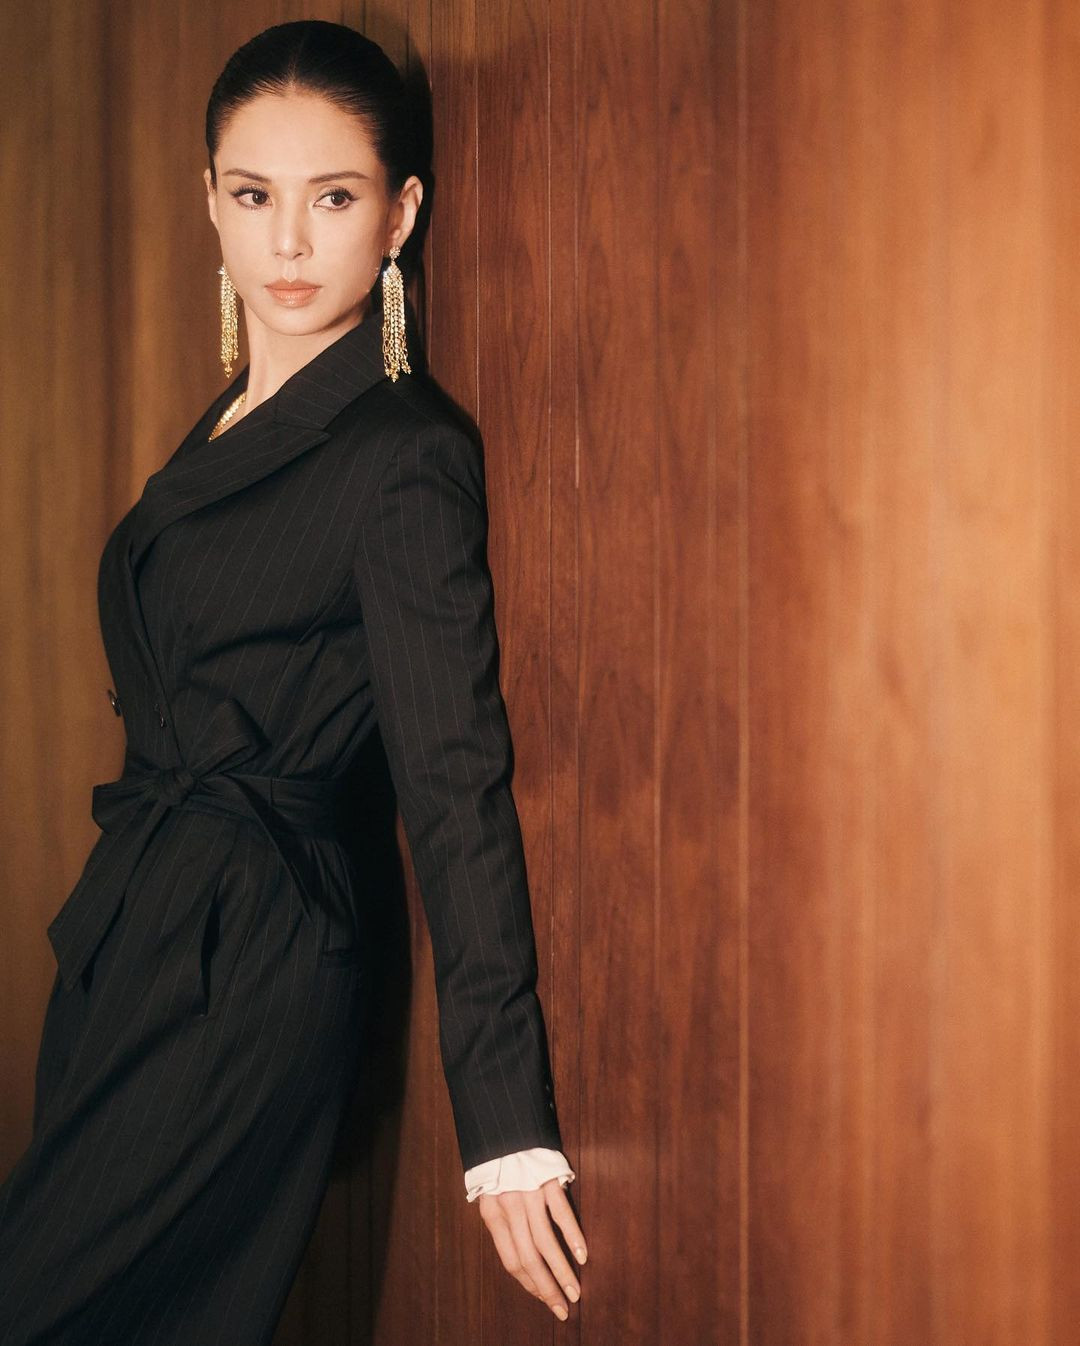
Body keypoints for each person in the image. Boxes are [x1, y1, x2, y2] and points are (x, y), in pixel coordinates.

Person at [0, 19, 585, 1343]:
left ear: (401, 214)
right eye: (255, 196)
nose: (288, 244)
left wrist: (505, 1129)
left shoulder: (401, 452)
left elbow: (455, 781)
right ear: (209, 201)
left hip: (247, 965)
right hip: (131, 938)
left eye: (333, 199)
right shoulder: (229, 421)